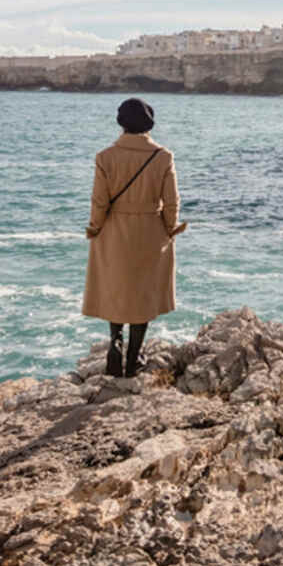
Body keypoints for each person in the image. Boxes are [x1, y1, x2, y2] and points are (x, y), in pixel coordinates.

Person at [82, 97, 186, 377]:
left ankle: (114, 350)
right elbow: (172, 201)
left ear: (121, 123)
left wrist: (95, 226)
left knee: (117, 290)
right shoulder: (163, 157)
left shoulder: (105, 157)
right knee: (142, 294)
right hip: (150, 230)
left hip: (114, 229)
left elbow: (99, 201)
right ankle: (134, 356)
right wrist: (170, 227)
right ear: (148, 124)